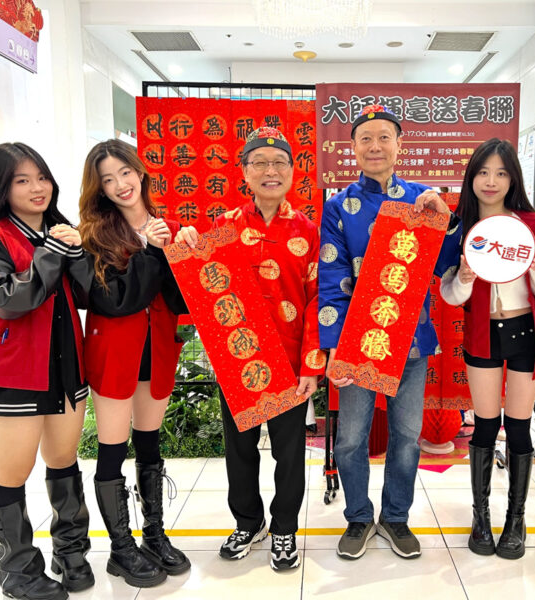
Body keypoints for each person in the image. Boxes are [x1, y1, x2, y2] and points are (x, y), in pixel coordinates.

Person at [175, 126, 325, 571]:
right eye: (259, 162)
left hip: (290, 360)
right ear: (244, 171)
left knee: (288, 453)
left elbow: (318, 300)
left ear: (293, 171)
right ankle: (248, 521)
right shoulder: (224, 227)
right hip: (238, 359)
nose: (270, 171)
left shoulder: (308, 230)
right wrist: (185, 242)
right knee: (239, 449)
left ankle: (284, 528)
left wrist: (311, 365)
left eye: (279, 162)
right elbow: (205, 285)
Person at [319, 105, 462, 560]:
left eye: (384, 137)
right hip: (357, 341)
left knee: (406, 435)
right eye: (365, 138)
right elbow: (332, 277)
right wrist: (334, 346)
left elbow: (446, 265)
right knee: (349, 438)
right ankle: (359, 517)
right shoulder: (338, 207)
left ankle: (396, 517)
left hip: (412, 339)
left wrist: (446, 221)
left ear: (400, 144)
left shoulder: (424, 201)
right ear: (353, 148)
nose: (375, 146)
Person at [0, 142, 92, 600]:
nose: (37, 188)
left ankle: (71, 554)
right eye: (22, 180)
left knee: (64, 460)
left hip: (66, 366)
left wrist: (79, 252)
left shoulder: (60, 230)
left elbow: (90, 294)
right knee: (13, 470)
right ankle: (18, 571)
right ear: (2, 187)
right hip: (12, 371)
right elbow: (12, 300)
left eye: (42, 177)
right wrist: (54, 250)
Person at [76, 139, 189, 588]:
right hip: (113, 353)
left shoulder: (172, 228)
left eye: (125, 172)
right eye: (108, 179)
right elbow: (114, 300)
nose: (121, 184)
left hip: (157, 349)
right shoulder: (93, 236)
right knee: (111, 447)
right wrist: (150, 249)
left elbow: (182, 302)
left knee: (150, 443)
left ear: (140, 172)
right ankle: (121, 549)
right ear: (100, 189)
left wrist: (181, 252)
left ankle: (154, 536)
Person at [438, 138, 535, 559]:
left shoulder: (533, 225)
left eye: (501, 173)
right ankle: (481, 517)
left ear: (513, 179)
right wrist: (465, 278)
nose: (491, 181)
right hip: (482, 333)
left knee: (519, 426)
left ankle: (516, 519)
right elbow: (450, 294)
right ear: (471, 177)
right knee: (486, 425)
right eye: (483, 172)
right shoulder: (459, 228)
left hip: (526, 331)